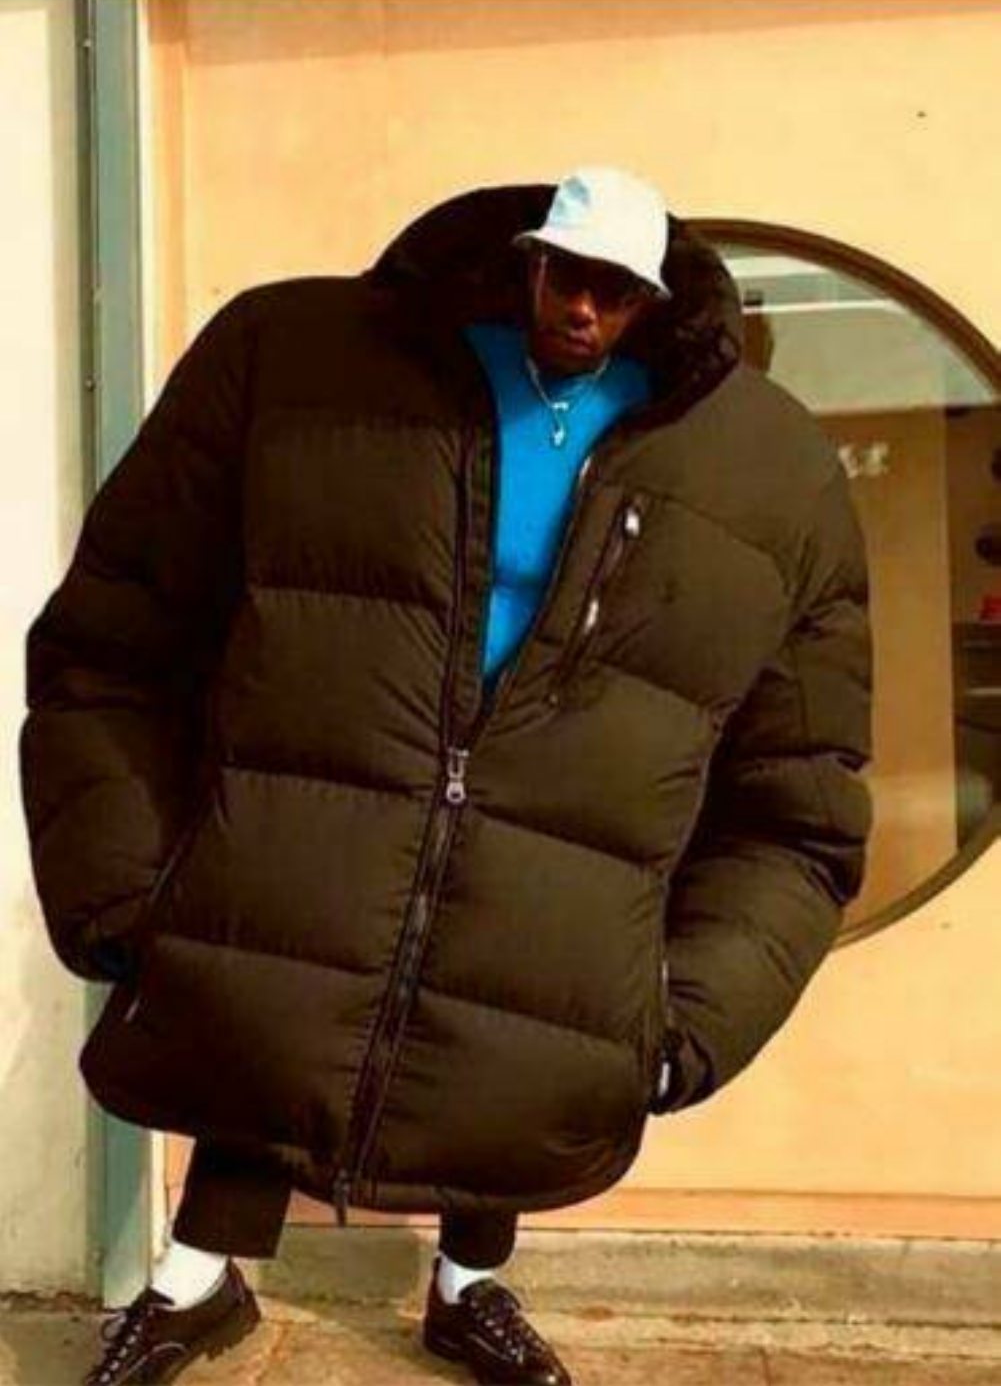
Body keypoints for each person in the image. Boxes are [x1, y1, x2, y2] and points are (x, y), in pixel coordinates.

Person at [19, 165, 874, 1386]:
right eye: (567, 276)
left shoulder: (769, 468)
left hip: (565, 865)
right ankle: (193, 1282)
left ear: (652, 298)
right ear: (528, 258)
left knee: (506, 1027)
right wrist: (117, 888)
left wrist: (683, 1018)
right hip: (310, 810)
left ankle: (468, 1288)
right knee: (260, 1020)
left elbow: (798, 801)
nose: (584, 309)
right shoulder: (296, 359)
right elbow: (113, 645)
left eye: (616, 290)